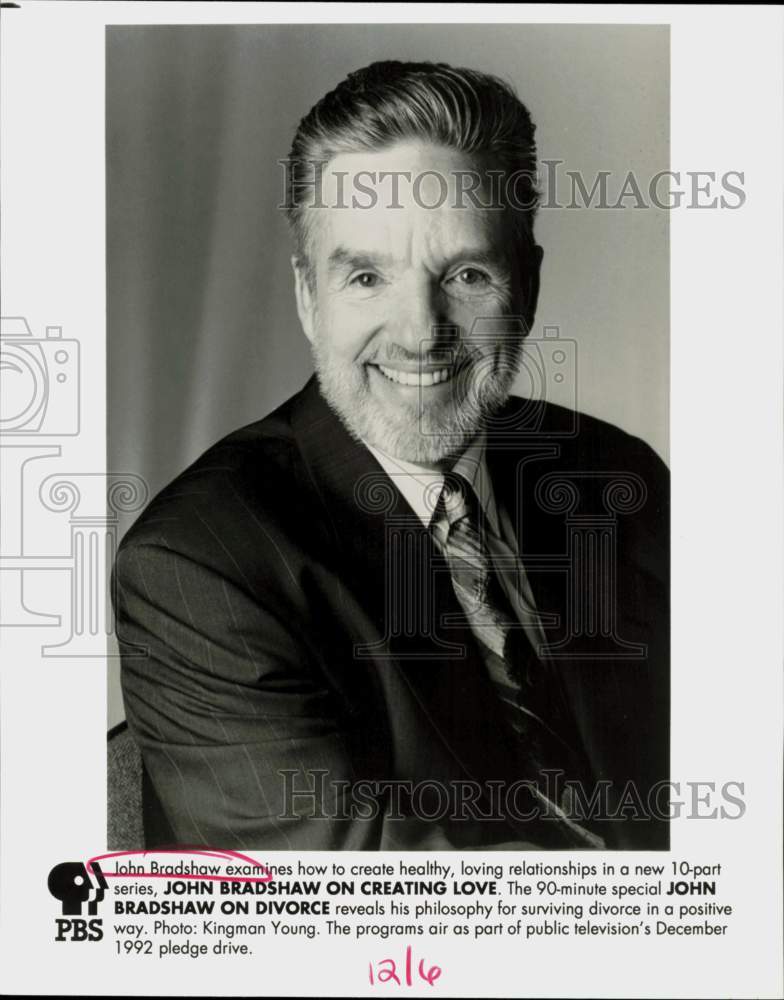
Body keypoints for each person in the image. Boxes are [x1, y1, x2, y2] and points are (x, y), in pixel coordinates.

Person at [113, 60, 669, 852]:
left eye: (467, 275)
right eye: (368, 276)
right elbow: (357, 901)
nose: (421, 333)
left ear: (530, 286)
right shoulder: (199, 564)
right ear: (309, 297)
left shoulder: (620, 477)